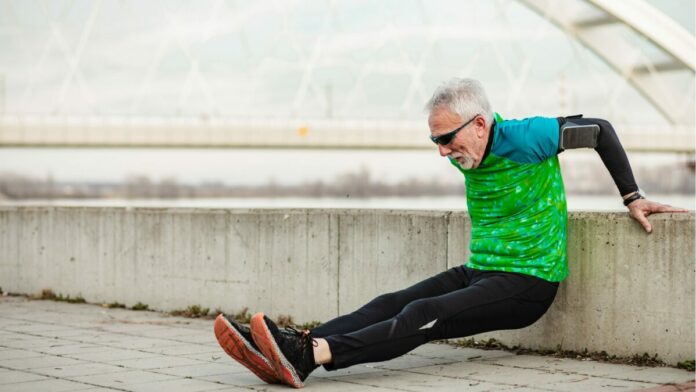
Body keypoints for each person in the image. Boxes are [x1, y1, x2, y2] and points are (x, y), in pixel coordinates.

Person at [213, 78, 687, 388]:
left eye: (447, 139)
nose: (442, 152)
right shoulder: (469, 145)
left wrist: (632, 197)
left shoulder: (527, 137)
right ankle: (287, 346)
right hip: (481, 270)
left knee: (424, 313)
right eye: (434, 141)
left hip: (528, 283)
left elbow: (600, 130)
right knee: (390, 302)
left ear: (480, 124)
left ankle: (314, 355)